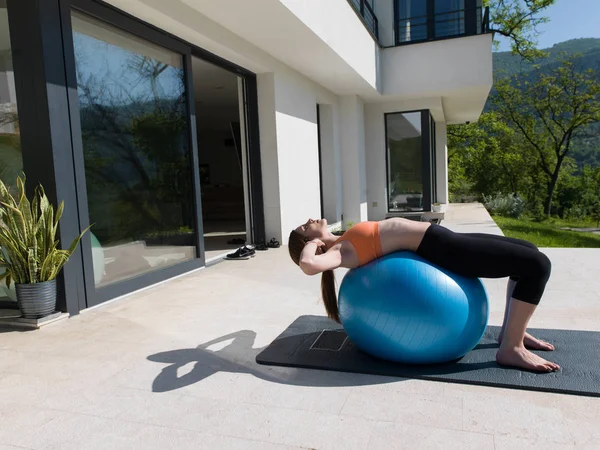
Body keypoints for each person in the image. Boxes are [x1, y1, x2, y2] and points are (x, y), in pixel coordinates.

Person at [288, 217, 560, 373]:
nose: (310, 220)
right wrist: (314, 243)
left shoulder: (341, 239)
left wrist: (318, 238)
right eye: (304, 227)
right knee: (537, 265)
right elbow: (309, 265)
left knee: (529, 249)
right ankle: (511, 348)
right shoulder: (339, 251)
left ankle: (511, 333)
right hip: (445, 249)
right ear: (309, 242)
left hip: (443, 238)